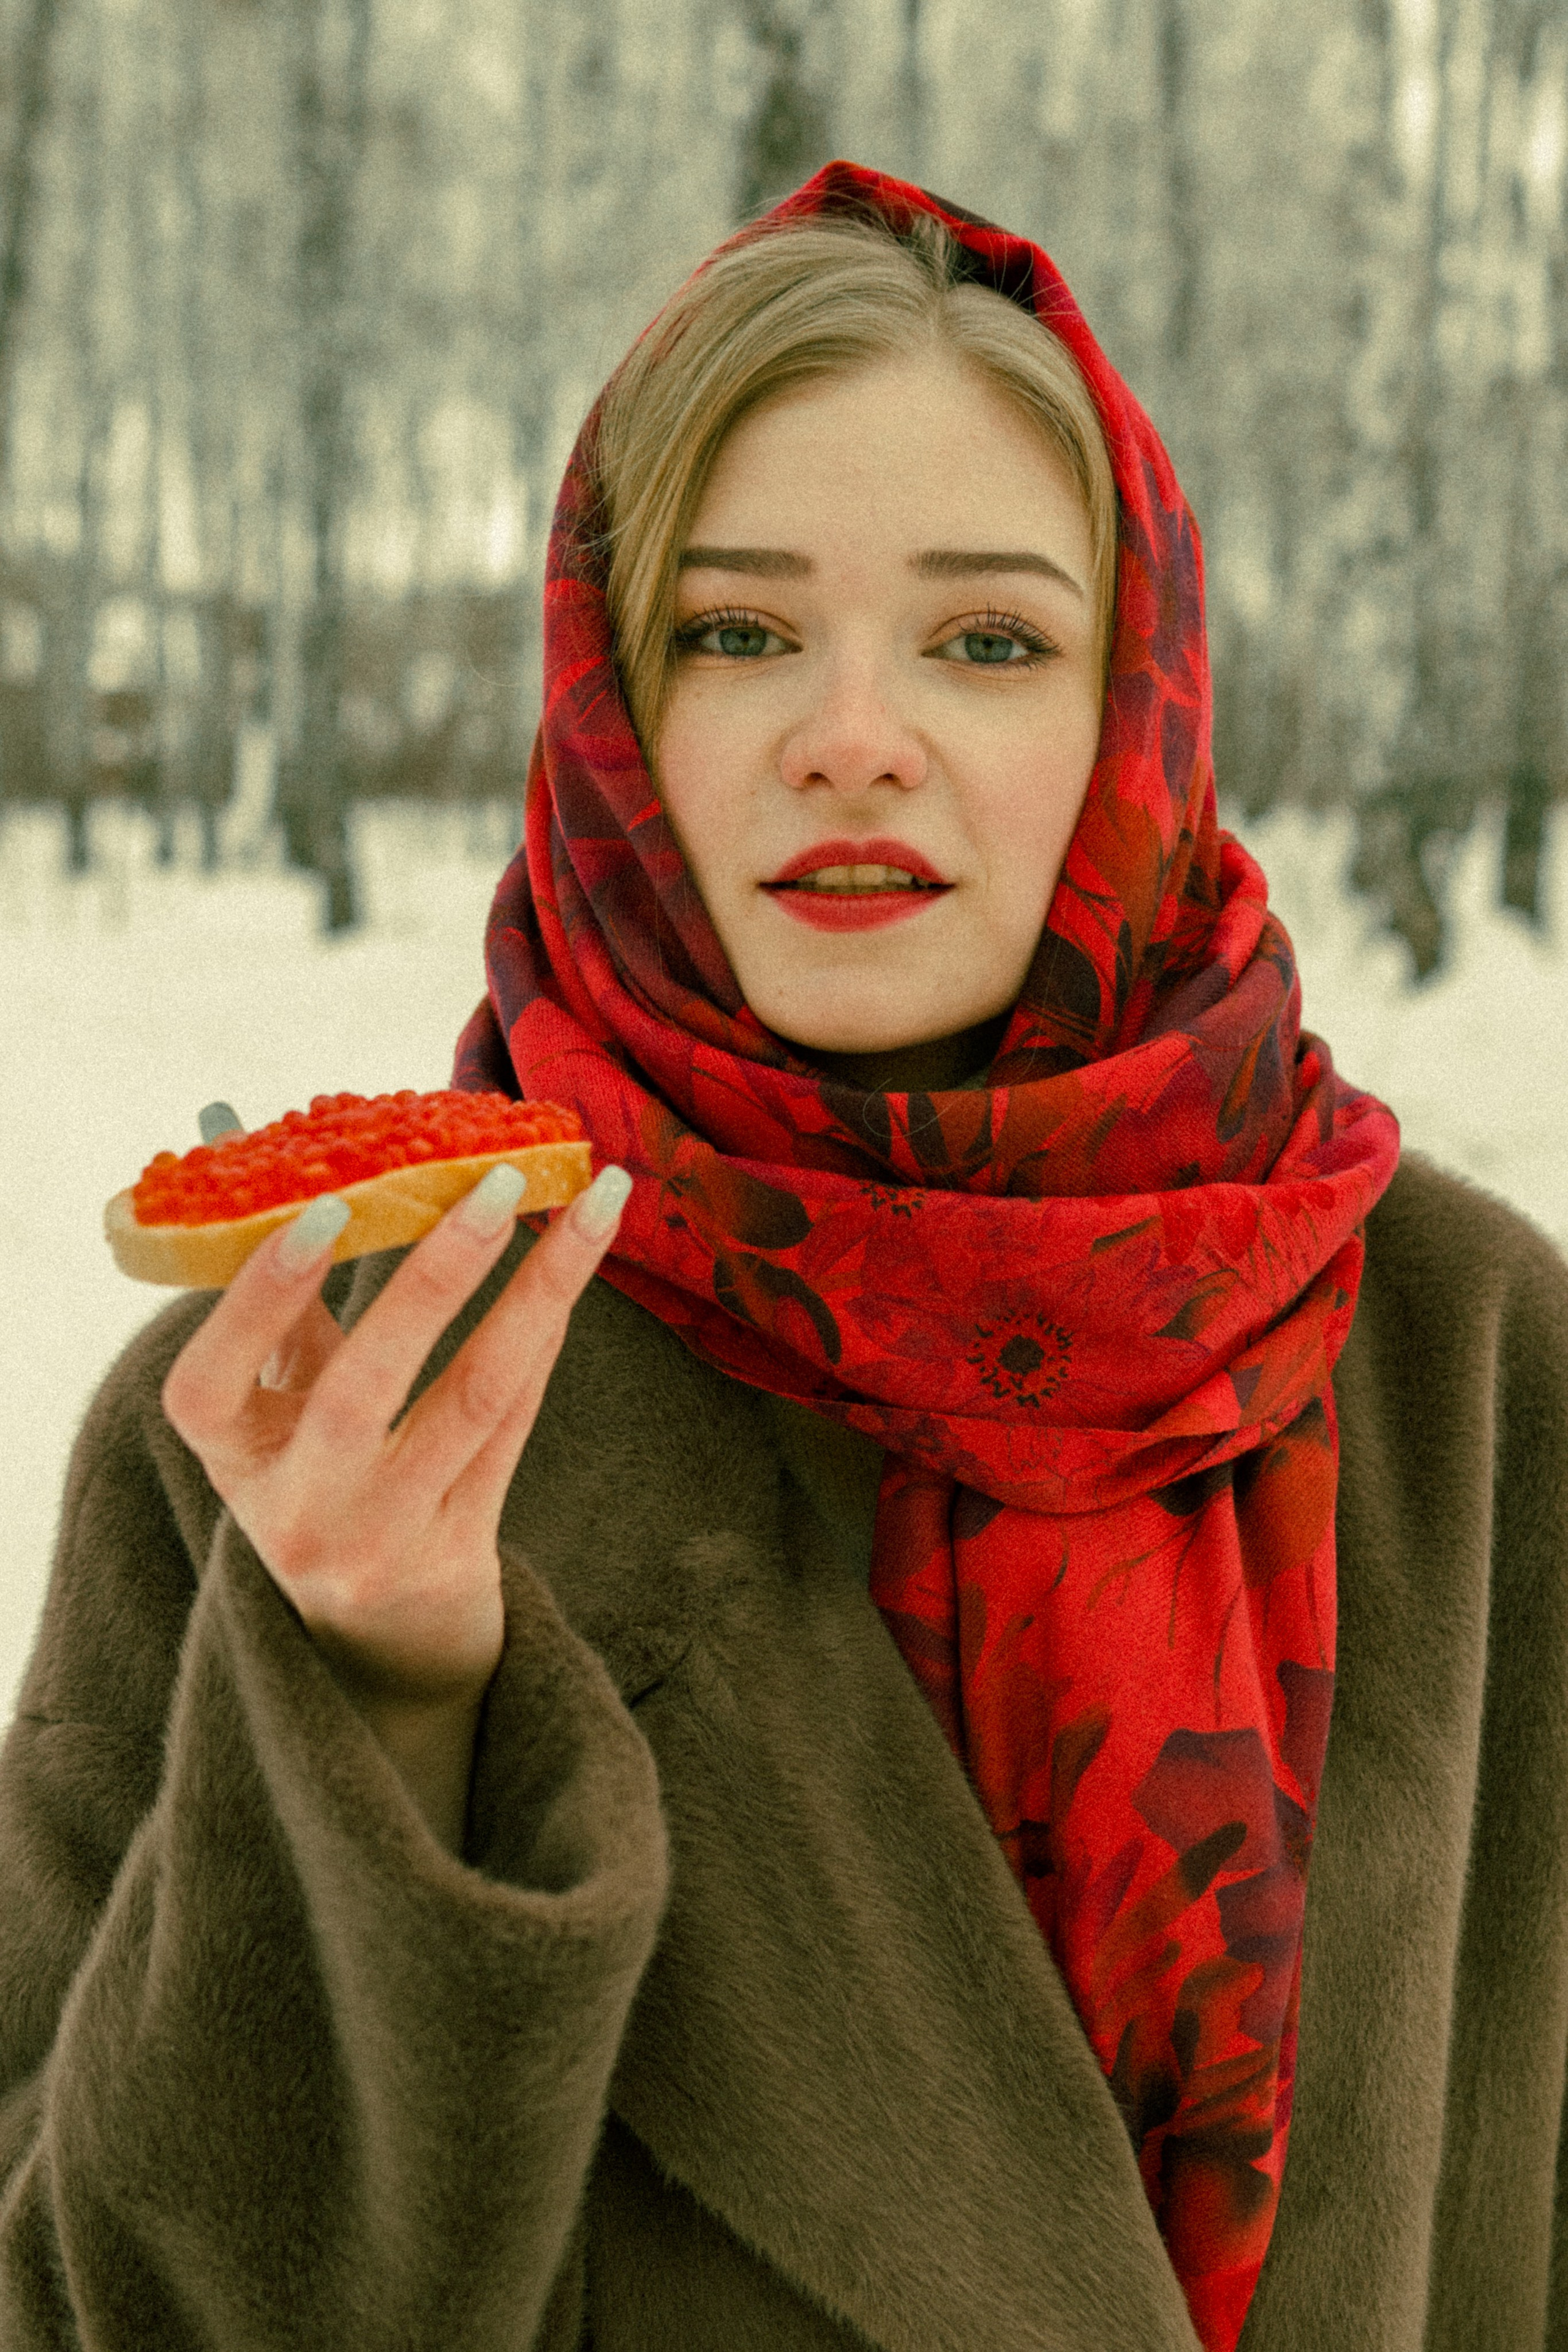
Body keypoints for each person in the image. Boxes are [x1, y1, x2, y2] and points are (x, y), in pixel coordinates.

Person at [2, 159, 1566, 2352]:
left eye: (990, 640)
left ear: (1136, 717)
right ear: (613, 707)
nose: (856, 733)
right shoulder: (310, 1412)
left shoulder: (1471, 1371)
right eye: (738, 631)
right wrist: (366, 1707)